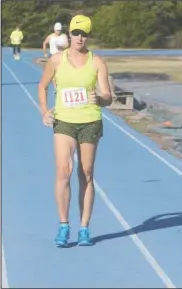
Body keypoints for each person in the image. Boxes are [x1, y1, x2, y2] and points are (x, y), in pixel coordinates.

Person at [38, 15, 112, 247]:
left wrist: (99, 98)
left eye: (84, 34)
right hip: (65, 121)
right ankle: (63, 225)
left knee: (86, 172)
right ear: (70, 34)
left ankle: (84, 227)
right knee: (63, 170)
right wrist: (43, 111)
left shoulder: (97, 61)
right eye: (76, 33)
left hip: (90, 121)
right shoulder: (57, 60)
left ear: (88, 36)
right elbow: (42, 85)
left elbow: (108, 96)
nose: (80, 37)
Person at [42, 22, 69, 91]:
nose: (58, 32)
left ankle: (64, 84)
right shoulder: (51, 36)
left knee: (62, 71)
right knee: (53, 72)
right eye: (57, 30)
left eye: (59, 30)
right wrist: (45, 52)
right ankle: (55, 87)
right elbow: (44, 43)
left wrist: (61, 47)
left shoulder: (63, 36)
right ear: (54, 30)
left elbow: (67, 45)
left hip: (62, 56)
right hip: (53, 56)